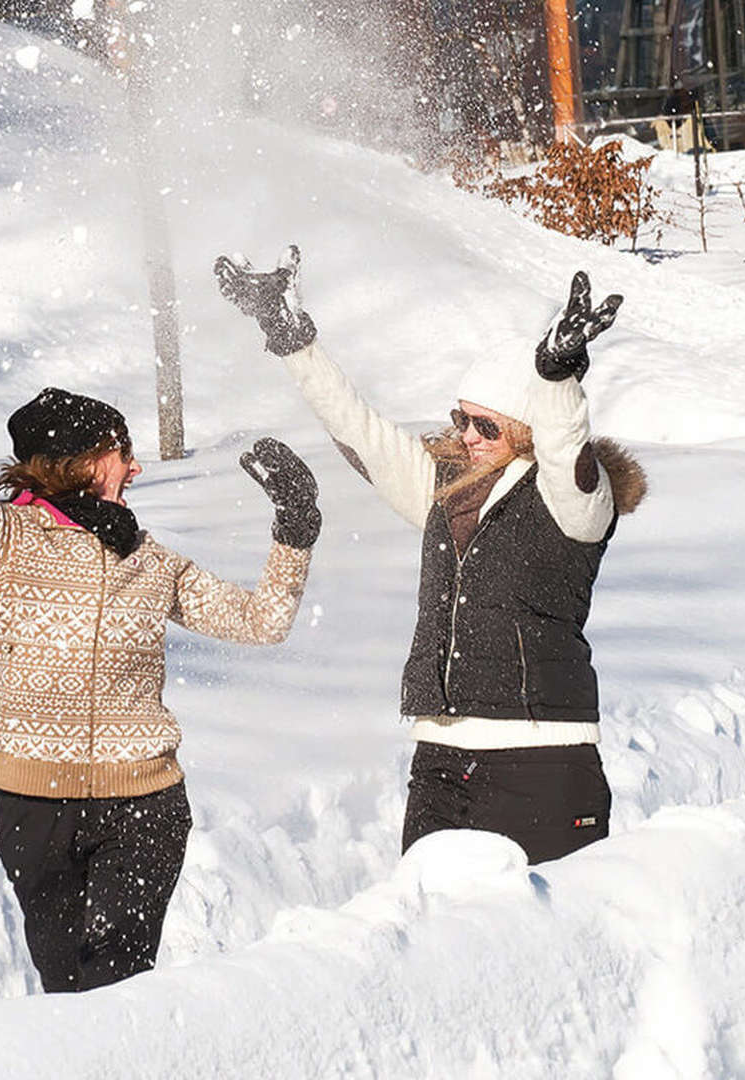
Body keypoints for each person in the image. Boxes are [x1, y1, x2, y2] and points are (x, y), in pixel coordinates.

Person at [0, 273, 321, 991]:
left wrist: (294, 530)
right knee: (67, 990)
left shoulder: (149, 559)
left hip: (144, 806)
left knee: (116, 985)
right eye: (121, 451)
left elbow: (261, 622)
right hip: (34, 807)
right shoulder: (4, 539)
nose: (135, 466)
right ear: (79, 462)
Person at [213, 248, 644, 865]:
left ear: (525, 429)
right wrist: (291, 339)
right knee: (432, 945)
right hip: (440, 763)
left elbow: (566, 456)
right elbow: (361, 432)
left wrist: (556, 384)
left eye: (486, 426)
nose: (467, 435)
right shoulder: (447, 492)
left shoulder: (574, 506)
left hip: (542, 762)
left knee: (536, 949)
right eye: (460, 419)